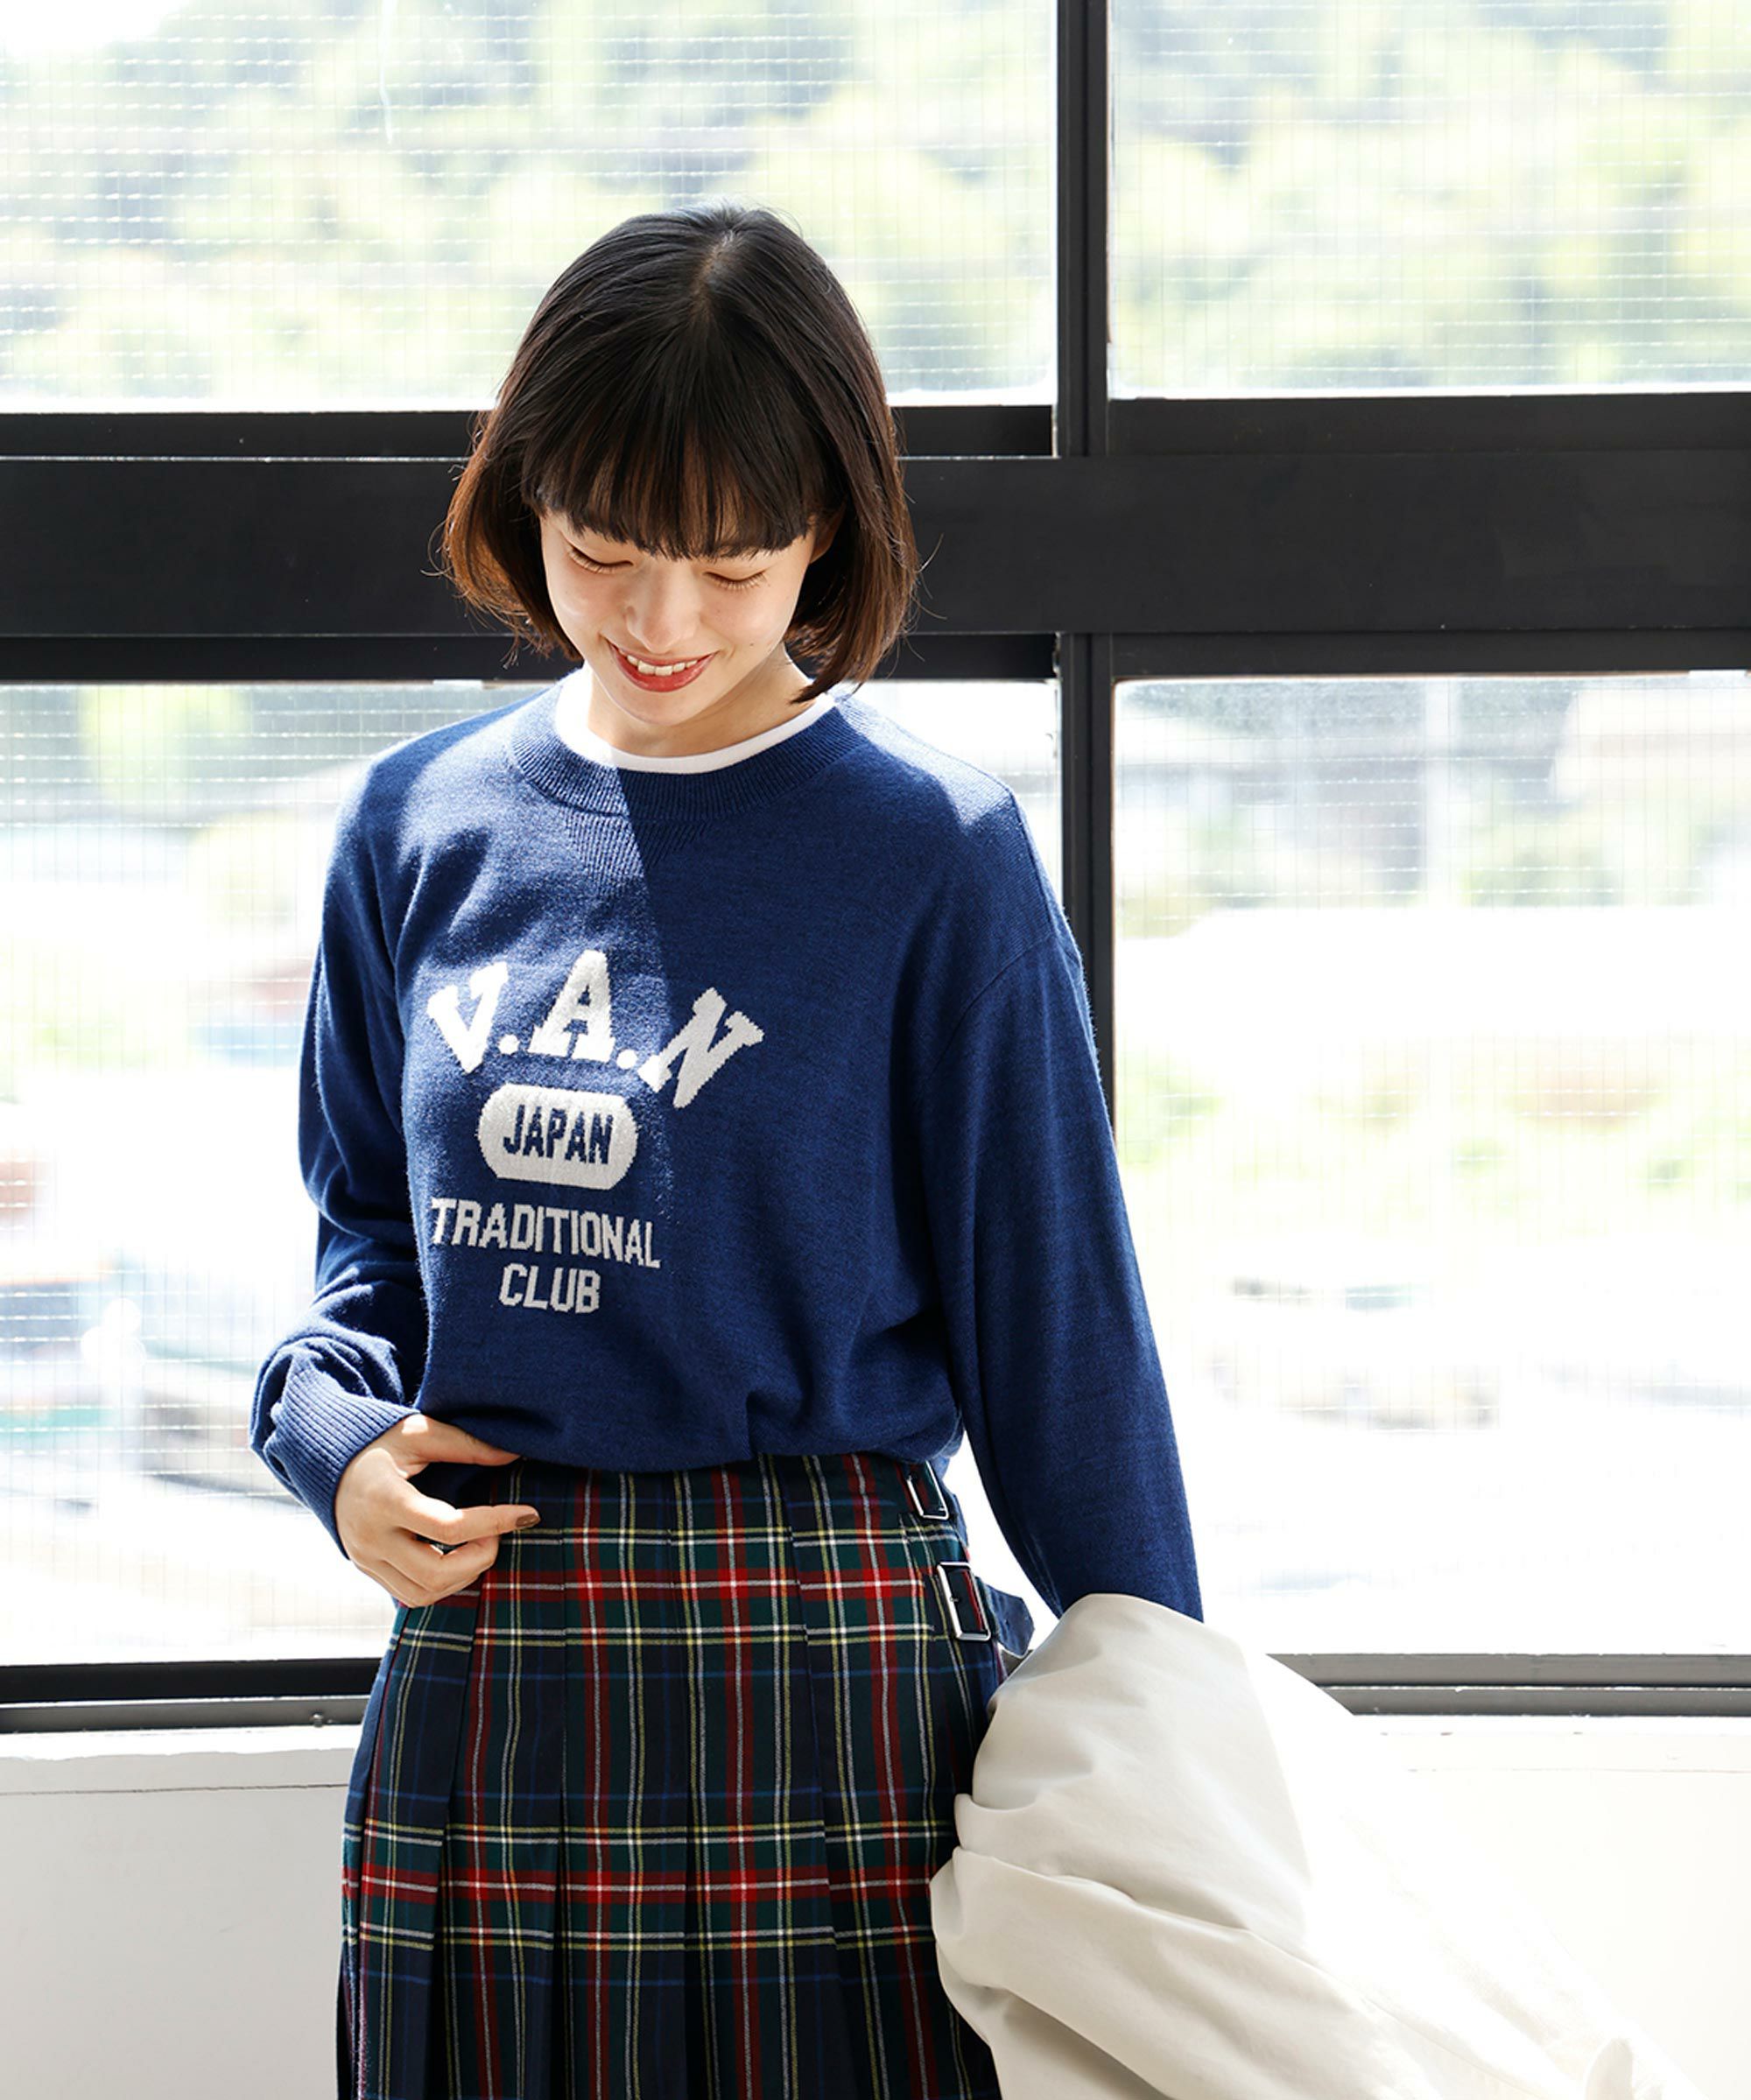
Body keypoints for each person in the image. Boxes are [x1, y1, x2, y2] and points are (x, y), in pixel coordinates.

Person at [250, 197, 1203, 2100]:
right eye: (602, 549)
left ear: (826, 531)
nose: (659, 620)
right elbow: (367, 1250)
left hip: (833, 1686)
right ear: (524, 497)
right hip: (493, 1668)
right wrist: (328, 1440)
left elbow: (1062, 1348)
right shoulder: (416, 827)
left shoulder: (933, 856)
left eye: (733, 563)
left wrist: (1186, 1754)